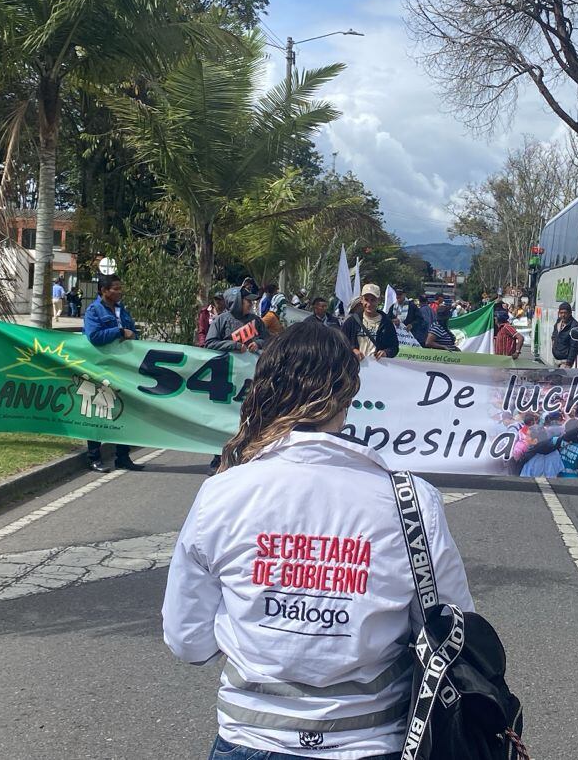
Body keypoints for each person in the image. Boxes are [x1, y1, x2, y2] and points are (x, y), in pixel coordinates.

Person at [163, 322, 473, 759]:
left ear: (266, 388)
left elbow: (188, 641)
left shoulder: (222, 494)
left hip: (251, 736)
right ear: (348, 394)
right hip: (372, 740)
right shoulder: (410, 500)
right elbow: (453, 628)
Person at [83, 274, 142, 473]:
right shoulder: (94, 311)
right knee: (98, 411)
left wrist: (131, 335)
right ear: (104, 290)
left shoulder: (121, 310)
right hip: (100, 367)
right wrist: (119, 332)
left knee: (123, 412)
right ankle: (94, 457)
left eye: (120, 288)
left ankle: (123, 457)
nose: (119, 292)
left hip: (122, 368)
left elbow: (131, 332)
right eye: (115, 288)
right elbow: (94, 336)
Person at [341, 283, 399, 359]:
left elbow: (394, 348)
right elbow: (341, 343)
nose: (369, 304)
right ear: (361, 300)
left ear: (379, 300)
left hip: (377, 365)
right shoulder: (352, 321)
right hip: (355, 364)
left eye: (373, 300)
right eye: (366, 299)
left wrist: (386, 352)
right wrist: (352, 350)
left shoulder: (386, 323)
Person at [204, 286, 270, 354]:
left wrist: (258, 344)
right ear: (237, 302)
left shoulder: (257, 320)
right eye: (248, 301)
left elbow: (269, 340)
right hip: (228, 360)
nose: (251, 304)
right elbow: (210, 344)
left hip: (253, 360)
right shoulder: (220, 320)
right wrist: (235, 346)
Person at [550, 301, 578, 367]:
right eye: (561, 313)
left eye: (565, 313)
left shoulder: (575, 326)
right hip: (555, 358)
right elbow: (554, 335)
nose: (563, 315)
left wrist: (569, 362)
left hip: (565, 361)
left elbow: (574, 346)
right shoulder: (559, 321)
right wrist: (553, 344)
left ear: (570, 313)